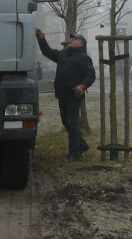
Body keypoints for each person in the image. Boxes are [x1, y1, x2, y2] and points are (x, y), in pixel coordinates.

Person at [36, 29, 96, 162]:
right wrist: (41, 39)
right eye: (72, 38)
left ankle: (74, 154)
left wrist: (82, 86)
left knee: (72, 123)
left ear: (81, 44)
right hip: (62, 94)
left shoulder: (84, 58)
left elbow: (90, 75)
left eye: (75, 39)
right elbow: (48, 52)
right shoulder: (63, 54)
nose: (72, 40)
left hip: (75, 95)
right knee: (66, 122)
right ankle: (82, 145)